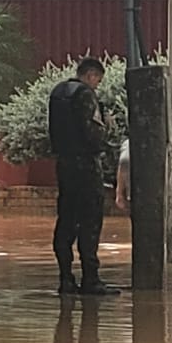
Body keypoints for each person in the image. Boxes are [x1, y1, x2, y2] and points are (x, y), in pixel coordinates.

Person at [48, 57, 118, 297]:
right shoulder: (86, 95)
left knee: (66, 219)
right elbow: (93, 135)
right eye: (97, 79)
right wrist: (107, 125)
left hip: (64, 165)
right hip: (86, 166)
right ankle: (91, 279)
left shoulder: (58, 93)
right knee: (90, 220)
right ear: (90, 75)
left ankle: (66, 278)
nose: (97, 84)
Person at [114, 136, 130, 213]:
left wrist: (119, 192)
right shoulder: (128, 144)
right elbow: (123, 165)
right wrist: (119, 192)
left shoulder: (128, 144)